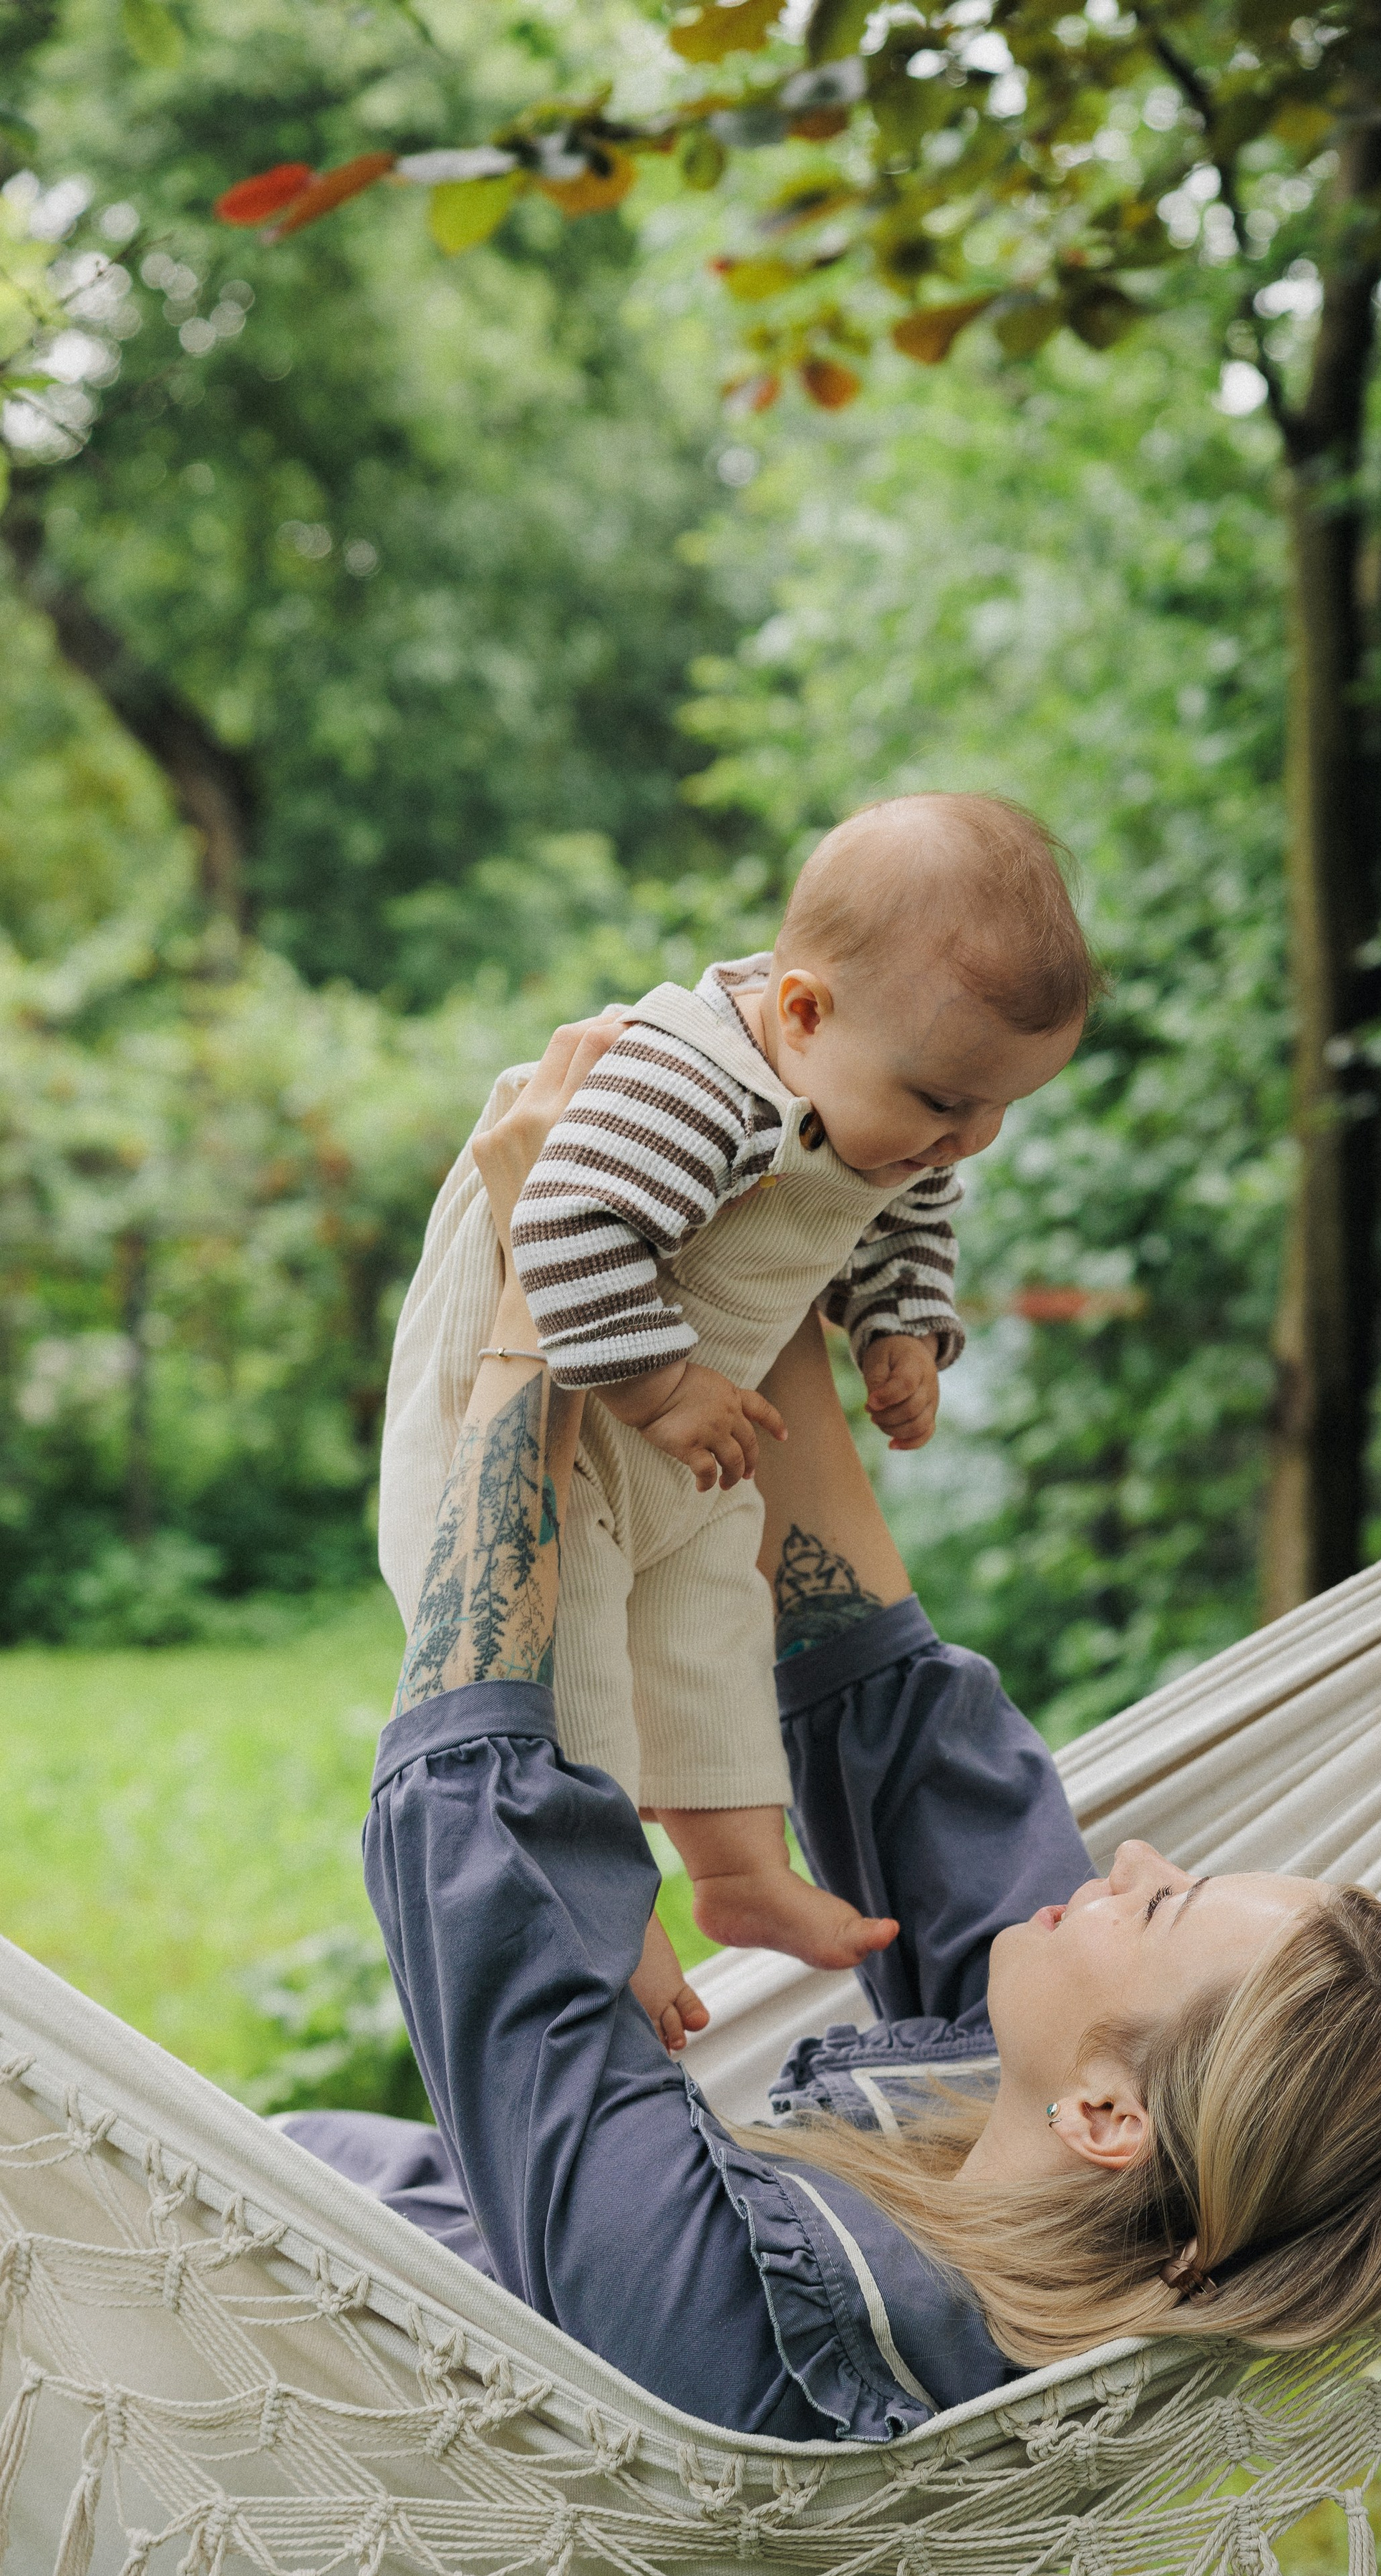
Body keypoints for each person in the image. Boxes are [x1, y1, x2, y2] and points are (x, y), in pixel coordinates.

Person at [289, 1023, 1381, 2444]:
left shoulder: (741, 2356)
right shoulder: (1035, 2129)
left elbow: (480, 1861)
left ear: (1108, 2120)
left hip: (245, 2380)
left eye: (1164, 1905)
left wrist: (538, 1290)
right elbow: (895, 1716)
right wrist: (775, 1235)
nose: (1135, 1858)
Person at [378, 793, 1100, 1980]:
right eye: (944, 1104)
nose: (967, 1140)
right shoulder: (687, 1086)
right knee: (579, 1677)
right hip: (532, 1433)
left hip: (685, 1430)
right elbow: (562, 1223)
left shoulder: (893, 1091)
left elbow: (910, 1212)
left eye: (999, 1110)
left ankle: (739, 1875)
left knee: (715, 1628)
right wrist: (662, 1390)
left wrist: (902, 1330)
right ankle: (605, 1917)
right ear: (803, 1011)